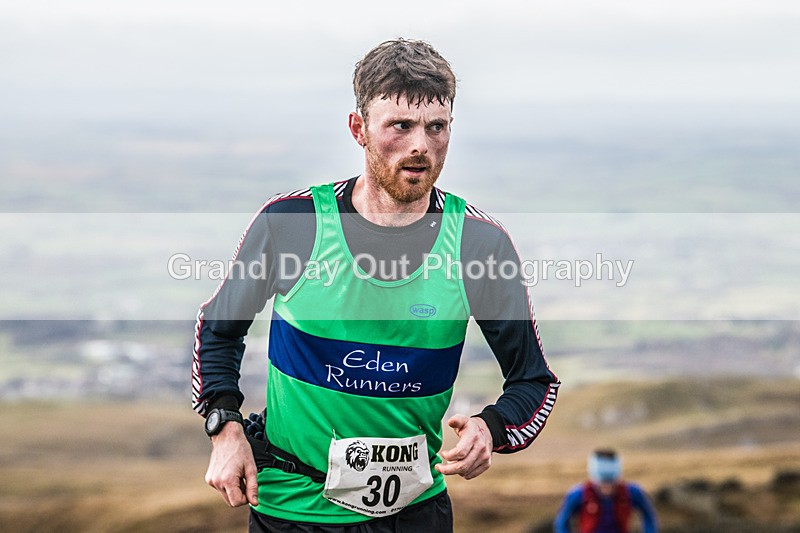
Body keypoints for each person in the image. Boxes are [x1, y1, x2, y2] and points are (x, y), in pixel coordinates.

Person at [192, 38, 560, 532]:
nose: (421, 147)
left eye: (437, 128)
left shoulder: (478, 244)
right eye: (401, 126)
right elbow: (218, 328)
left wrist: (489, 430)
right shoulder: (292, 224)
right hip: (294, 510)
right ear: (359, 129)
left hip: (414, 515)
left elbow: (534, 381)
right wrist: (225, 428)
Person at [554, 449, 658, 533]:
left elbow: (649, 516)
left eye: (611, 482)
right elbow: (561, 523)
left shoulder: (631, 493)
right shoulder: (579, 494)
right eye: (603, 482)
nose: (607, 487)